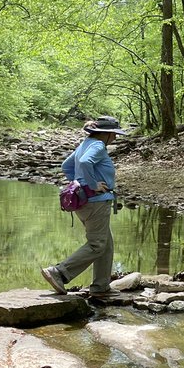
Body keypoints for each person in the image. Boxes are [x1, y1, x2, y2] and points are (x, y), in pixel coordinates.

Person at [41, 116, 124, 297]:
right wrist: (92, 185)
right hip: (96, 202)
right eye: (114, 134)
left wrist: (79, 185)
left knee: (106, 244)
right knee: (97, 244)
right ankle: (60, 272)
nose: (116, 138)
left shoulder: (86, 143)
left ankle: (101, 287)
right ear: (106, 134)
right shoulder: (98, 146)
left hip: (85, 201)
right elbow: (86, 162)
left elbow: (66, 166)